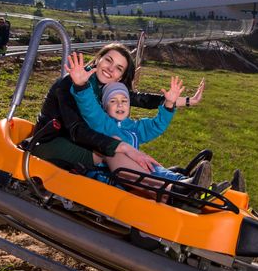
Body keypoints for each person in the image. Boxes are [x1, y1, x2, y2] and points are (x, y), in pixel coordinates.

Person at [32, 44, 208, 189]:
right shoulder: (72, 83)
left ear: (121, 76)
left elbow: (140, 99)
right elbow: (76, 130)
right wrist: (121, 146)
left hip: (80, 142)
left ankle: (173, 180)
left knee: (116, 144)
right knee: (110, 147)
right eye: (108, 60)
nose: (110, 69)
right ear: (98, 58)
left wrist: (185, 101)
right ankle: (169, 189)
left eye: (118, 68)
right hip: (51, 142)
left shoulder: (107, 88)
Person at [69, 66, 207, 185]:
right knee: (152, 169)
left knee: (152, 167)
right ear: (105, 107)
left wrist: (169, 103)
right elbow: (89, 108)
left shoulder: (135, 127)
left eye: (124, 100)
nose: (120, 104)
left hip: (137, 173)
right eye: (113, 101)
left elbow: (156, 125)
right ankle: (181, 183)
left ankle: (183, 180)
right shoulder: (102, 123)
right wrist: (81, 85)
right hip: (115, 174)